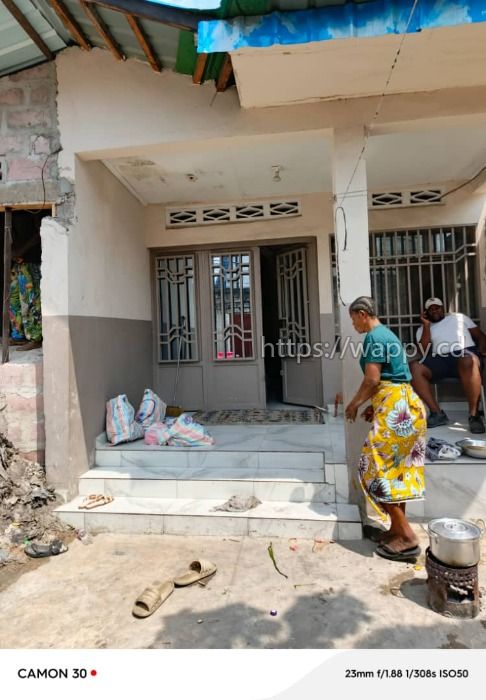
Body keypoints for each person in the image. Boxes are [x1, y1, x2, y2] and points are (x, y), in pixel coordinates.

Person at [344, 296, 426, 561]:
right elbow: (393, 376)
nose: (353, 324)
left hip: (397, 408)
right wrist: (375, 405)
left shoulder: (374, 338)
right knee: (395, 470)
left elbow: (372, 378)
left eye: (352, 318)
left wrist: (355, 403)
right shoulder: (386, 334)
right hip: (402, 403)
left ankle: (407, 536)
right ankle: (395, 531)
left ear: (361, 313)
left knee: (374, 466)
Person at [410, 297, 486, 433]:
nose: (435, 310)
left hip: (464, 353)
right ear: (426, 312)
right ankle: (437, 413)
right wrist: (426, 326)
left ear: (443, 308)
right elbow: (423, 351)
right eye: (431, 309)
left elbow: (480, 336)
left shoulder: (459, 317)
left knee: (468, 360)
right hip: (440, 358)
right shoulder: (422, 329)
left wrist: (481, 350)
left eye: (437, 307)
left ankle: (474, 416)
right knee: (414, 368)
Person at [9, 231, 42, 351]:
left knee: (31, 302)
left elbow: (38, 233)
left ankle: (35, 337)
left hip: (31, 262)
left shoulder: (35, 212)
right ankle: (18, 335)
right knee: (13, 301)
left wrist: (20, 250)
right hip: (18, 264)